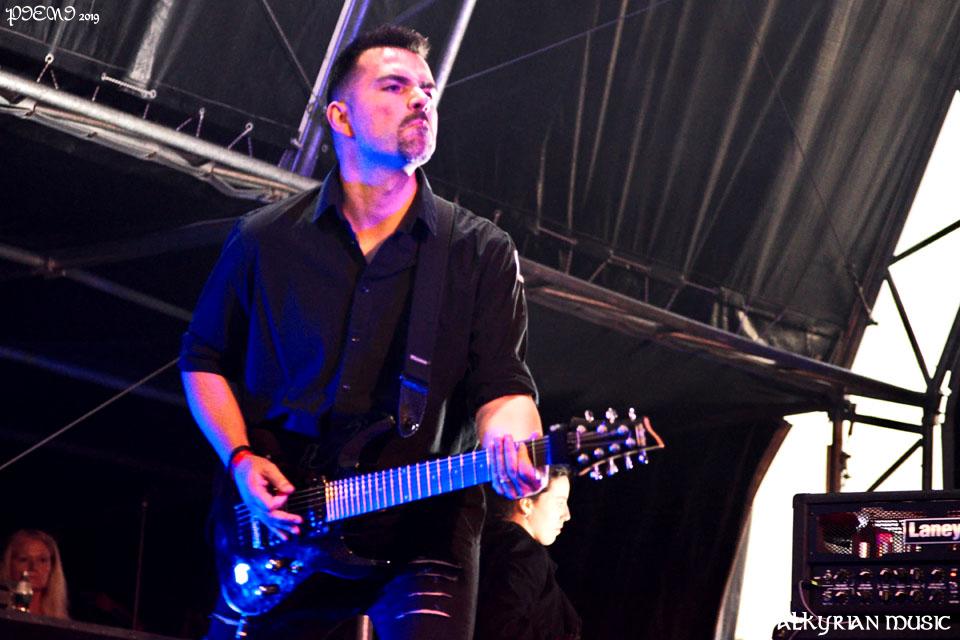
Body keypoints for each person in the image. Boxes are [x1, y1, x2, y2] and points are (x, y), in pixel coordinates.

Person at [179, 24, 544, 640]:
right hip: (284, 520)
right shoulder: (265, 239)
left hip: (424, 521)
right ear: (340, 117)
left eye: (428, 89)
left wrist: (515, 438)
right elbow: (203, 359)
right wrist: (240, 458)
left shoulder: (479, 251)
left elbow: (502, 384)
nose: (421, 98)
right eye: (395, 86)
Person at [475, 467, 580, 640]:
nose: (567, 515)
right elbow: (503, 628)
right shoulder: (525, 555)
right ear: (526, 504)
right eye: (560, 503)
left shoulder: (489, 543)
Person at [1, 529, 69, 619]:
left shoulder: (61, 620)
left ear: (52, 567)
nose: (33, 567)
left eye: (42, 560)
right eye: (23, 559)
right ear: (9, 563)